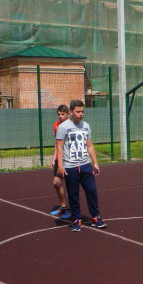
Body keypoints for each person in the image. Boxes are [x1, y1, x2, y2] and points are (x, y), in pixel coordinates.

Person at [55, 99, 107, 232]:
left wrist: (95, 162)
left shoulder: (86, 126)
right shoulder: (63, 127)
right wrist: (60, 166)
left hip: (85, 165)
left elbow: (89, 145)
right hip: (70, 166)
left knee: (92, 191)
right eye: (78, 112)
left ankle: (95, 217)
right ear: (71, 111)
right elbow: (59, 148)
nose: (81, 114)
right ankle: (77, 219)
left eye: (82, 111)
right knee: (73, 194)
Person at [49, 104, 72, 219]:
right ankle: (64, 206)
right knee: (56, 182)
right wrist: (54, 158)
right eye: (58, 114)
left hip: (70, 159)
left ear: (68, 114)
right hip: (60, 158)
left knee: (71, 185)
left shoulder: (72, 125)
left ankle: (73, 209)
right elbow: (57, 144)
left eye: (62, 114)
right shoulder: (56, 125)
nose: (60, 116)